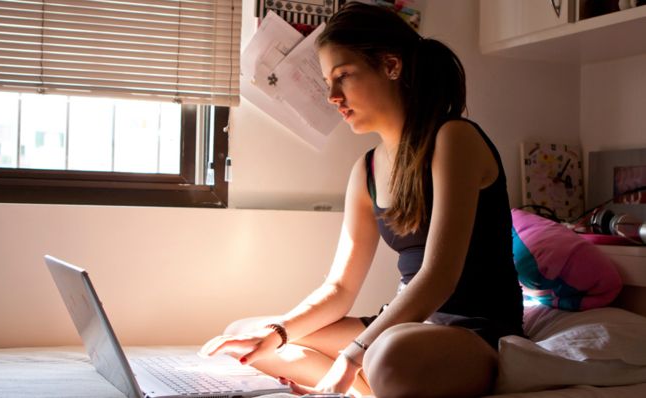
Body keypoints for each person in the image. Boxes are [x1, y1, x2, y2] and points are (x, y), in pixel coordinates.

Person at [201, 2, 524, 397]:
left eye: (343, 76)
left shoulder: (454, 139)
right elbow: (339, 288)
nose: (333, 96)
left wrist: (353, 354)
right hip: (405, 328)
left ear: (391, 66)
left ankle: (361, 378)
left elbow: (439, 277)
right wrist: (277, 333)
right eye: (327, 82)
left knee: (388, 357)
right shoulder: (367, 169)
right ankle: (361, 385)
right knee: (245, 335)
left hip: (473, 332)